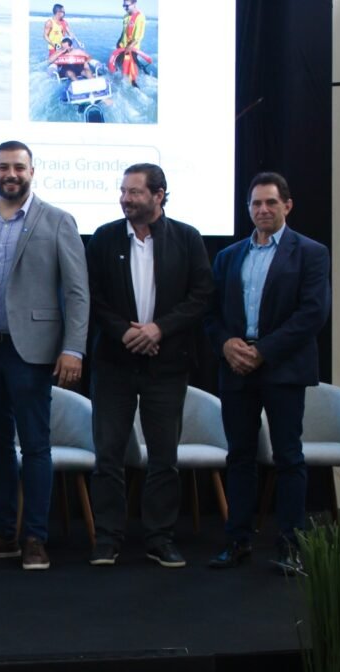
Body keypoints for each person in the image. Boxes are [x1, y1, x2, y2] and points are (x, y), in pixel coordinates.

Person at [0, 141, 89, 570]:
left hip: (30, 351)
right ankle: (3, 534)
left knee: (34, 445)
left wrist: (73, 348)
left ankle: (34, 537)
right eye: (3, 167)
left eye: (18, 167)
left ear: (32, 171)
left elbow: (77, 291)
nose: (10, 174)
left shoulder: (57, 220)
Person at [86, 164, 213, 568]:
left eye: (135, 192)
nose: (125, 199)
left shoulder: (187, 238)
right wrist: (124, 331)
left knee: (163, 457)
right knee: (108, 454)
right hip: (114, 362)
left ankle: (159, 538)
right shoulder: (104, 237)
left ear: (159, 195)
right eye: (123, 191)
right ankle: (108, 538)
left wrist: (159, 329)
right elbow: (91, 295)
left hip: (167, 363)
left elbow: (201, 295)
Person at [206, 172, 331, 576]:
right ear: (248, 208)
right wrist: (227, 344)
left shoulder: (311, 253)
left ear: (287, 206)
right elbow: (211, 314)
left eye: (271, 203)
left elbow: (313, 314)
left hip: (283, 368)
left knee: (288, 456)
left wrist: (263, 352)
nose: (263, 210)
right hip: (236, 367)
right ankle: (237, 540)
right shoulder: (228, 257)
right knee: (239, 456)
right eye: (256, 203)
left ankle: (291, 545)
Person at [114, 0, 147, 85]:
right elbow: (124, 31)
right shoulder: (125, 16)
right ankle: (119, 81)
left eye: (127, 6)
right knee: (117, 65)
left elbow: (138, 37)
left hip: (131, 48)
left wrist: (129, 48)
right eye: (123, 6)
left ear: (134, 4)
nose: (125, 8)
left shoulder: (140, 17)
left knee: (131, 73)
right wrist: (119, 41)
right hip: (122, 47)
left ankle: (136, 84)